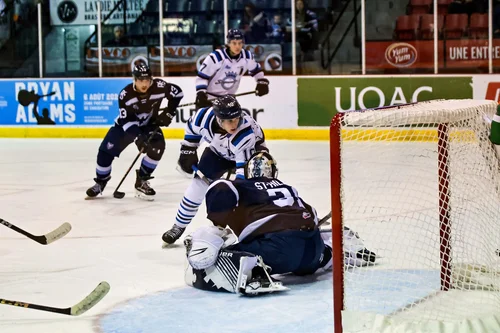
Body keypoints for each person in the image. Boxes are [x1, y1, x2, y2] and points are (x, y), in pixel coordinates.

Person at [182, 151, 377, 295]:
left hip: (275, 251)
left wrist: (217, 227)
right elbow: (313, 215)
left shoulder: (242, 185)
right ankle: (337, 250)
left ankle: (253, 270)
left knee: (222, 253)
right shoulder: (289, 188)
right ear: (274, 171)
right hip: (312, 251)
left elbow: (221, 187)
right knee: (310, 244)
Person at [161, 95, 267, 245]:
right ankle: (178, 226)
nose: (235, 123)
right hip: (218, 152)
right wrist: (188, 149)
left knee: (252, 191)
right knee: (198, 186)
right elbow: (192, 127)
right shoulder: (202, 118)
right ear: (219, 119)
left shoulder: (244, 134)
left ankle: (256, 229)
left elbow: (241, 176)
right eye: (230, 120)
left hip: (252, 154)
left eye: (237, 118)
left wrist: (235, 191)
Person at [86, 64, 184, 200]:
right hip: (125, 127)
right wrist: (139, 137)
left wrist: (170, 112)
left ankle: (141, 181)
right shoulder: (125, 95)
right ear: (134, 79)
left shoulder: (160, 87)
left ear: (151, 79)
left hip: (149, 125)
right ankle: (101, 182)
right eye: (140, 80)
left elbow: (178, 93)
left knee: (157, 148)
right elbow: (127, 121)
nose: (144, 84)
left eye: (146, 80)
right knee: (105, 153)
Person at [194, 28, 269, 110]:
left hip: (229, 100)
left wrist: (261, 82)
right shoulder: (216, 57)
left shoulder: (247, 56)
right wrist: (201, 93)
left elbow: (256, 70)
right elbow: (202, 77)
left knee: (235, 122)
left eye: (240, 43)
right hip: (210, 99)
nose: (237, 46)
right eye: (234, 43)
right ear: (228, 43)